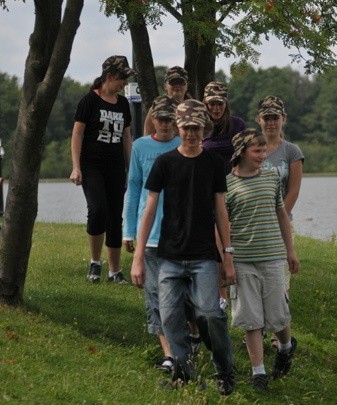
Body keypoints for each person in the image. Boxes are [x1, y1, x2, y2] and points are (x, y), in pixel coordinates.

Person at [130, 99, 237, 395]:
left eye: (196, 127)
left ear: (204, 129)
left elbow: (220, 211)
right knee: (170, 317)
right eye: (186, 127)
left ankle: (224, 370)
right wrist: (139, 256)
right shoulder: (165, 163)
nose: (190, 132)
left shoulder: (214, 163)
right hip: (169, 256)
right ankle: (184, 372)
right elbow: (149, 209)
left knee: (209, 313)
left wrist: (227, 256)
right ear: (178, 128)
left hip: (203, 255)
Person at [225, 128, 300, 391]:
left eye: (264, 150)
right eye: (257, 151)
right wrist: (228, 260)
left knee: (278, 314)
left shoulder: (271, 179)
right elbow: (223, 226)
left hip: (272, 258)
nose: (263, 155)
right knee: (251, 317)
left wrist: (290, 251)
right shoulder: (227, 185)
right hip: (244, 260)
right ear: (241, 152)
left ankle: (286, 347)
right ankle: (259, 372)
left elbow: (282, 216)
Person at [122, 95, 181, 374]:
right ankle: (169, 354)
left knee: (185, 297)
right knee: (156, 298)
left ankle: (186, 345)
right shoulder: (140, 146)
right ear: (153, 120)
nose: (166, 124)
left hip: (182, 235)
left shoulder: (186, 144)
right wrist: (128, 231)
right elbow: (133, 189)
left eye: (171, 119)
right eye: (161, 118)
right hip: (152, 236)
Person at [70, 55, 135, 284]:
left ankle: (114, 272)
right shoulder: (89, 100)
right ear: (109, 76)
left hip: (116, 167)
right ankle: (95, 263)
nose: (124, 83)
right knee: (98, 210)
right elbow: (77, 134)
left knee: (115, 217)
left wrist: (131, 167)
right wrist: (76, 167)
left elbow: (127, 136)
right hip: (92, 166)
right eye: (121, 78)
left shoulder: (123, 104)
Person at [256, 95, 304, 346]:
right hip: (253, 224)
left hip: (281, 224)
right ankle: (258, 330)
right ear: (259, 120)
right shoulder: (251, 147)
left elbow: (293, 190)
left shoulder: (291, 151)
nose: (271, 123)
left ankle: (279, 334)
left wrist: (279, 217)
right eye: (267, 118)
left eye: (275, 118)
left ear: (283, 119)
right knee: (255, 278)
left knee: (279, 280)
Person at [201, 81, 246, 304]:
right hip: (206, 189)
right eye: (211, 103)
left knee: (232, 238)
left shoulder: (237, 125)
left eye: (220, 103)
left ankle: (237, 287)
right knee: (214, 240)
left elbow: (243, 155)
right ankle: (221, 293)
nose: (216, 108)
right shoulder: (199, 126)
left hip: (232, 187)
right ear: (205, 103)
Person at [143, 66, 190, 136]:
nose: (177, 85)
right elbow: (148, 131)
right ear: (165, 86)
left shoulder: (193, 107)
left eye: (181, 82)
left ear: (187, 86)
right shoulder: (157, 107)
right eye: (173, 82)